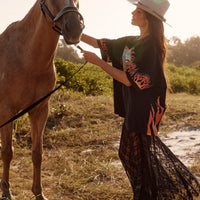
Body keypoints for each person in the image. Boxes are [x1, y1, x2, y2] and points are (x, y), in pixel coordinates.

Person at [80, 0, 200, 199]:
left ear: (147, 18)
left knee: (139, 158)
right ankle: (146, 193)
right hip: (134, 106)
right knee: (130, 155)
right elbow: (101, 43)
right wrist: (70, 30)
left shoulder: (151, 45)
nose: (133, 12)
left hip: (147, 109)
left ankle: (152, 193)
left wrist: (99, 63)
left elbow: (130, 80)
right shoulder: (133, 41)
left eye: (138, 11)